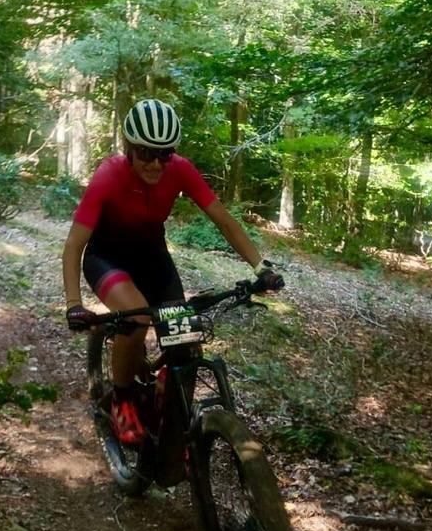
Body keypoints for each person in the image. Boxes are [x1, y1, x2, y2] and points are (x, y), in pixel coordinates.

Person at [62, 98, 283, 445]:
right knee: (136, 320)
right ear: (129, 149)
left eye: (164, 153)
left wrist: (260, 266)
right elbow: (75, 243)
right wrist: (73, 302)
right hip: (107, 258)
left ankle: (171, 420)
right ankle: (121, 400)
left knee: (186, 341)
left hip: (153, 258)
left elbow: (224, 220)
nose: (155, 163)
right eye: (145, 153)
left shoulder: (180, 170)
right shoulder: (108, 176)